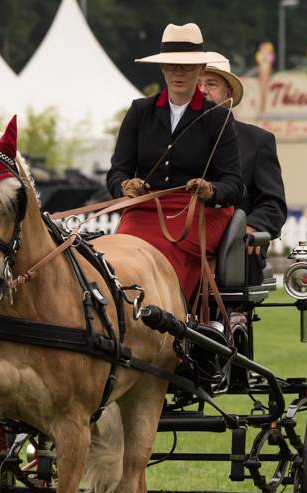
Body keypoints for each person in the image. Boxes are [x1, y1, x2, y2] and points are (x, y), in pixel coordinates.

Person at [106, 23, 243, 302]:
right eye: (171, 65)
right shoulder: (139, 112)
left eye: (186, 66)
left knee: (166, 252)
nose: (178, 73)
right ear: (162, 68)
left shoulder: (218, 118)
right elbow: (117, 171)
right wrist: (124, 185)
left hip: (198, 212)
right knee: (119, 250)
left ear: (200, 70)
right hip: (145, 208)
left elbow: (234, 183)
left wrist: (210, 190)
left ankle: (170, 315)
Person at [199, 58, 287, 242]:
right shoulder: (173, 138)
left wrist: (251, 227)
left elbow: (273, 206)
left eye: (211, 84)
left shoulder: (258, 141)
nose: (202, 91)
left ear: (228, 93)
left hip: (235, 245)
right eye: (197, 84)